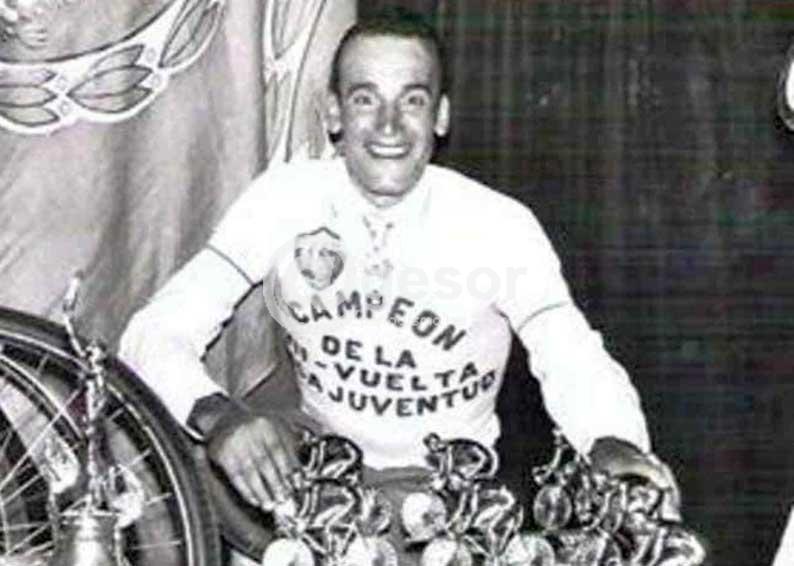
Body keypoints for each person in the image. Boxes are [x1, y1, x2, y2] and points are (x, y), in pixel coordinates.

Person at [119, 6, 678, 558]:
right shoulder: (284, 199)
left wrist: (612, 440)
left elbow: (570, 354)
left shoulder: (499, 225)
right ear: (333, 113)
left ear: (440, 116)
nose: (388, 125)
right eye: (366, 99)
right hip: (311, 481)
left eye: (412, 100)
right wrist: (220, 418)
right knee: (182, 471)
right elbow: (153, 332)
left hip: (443, 504)